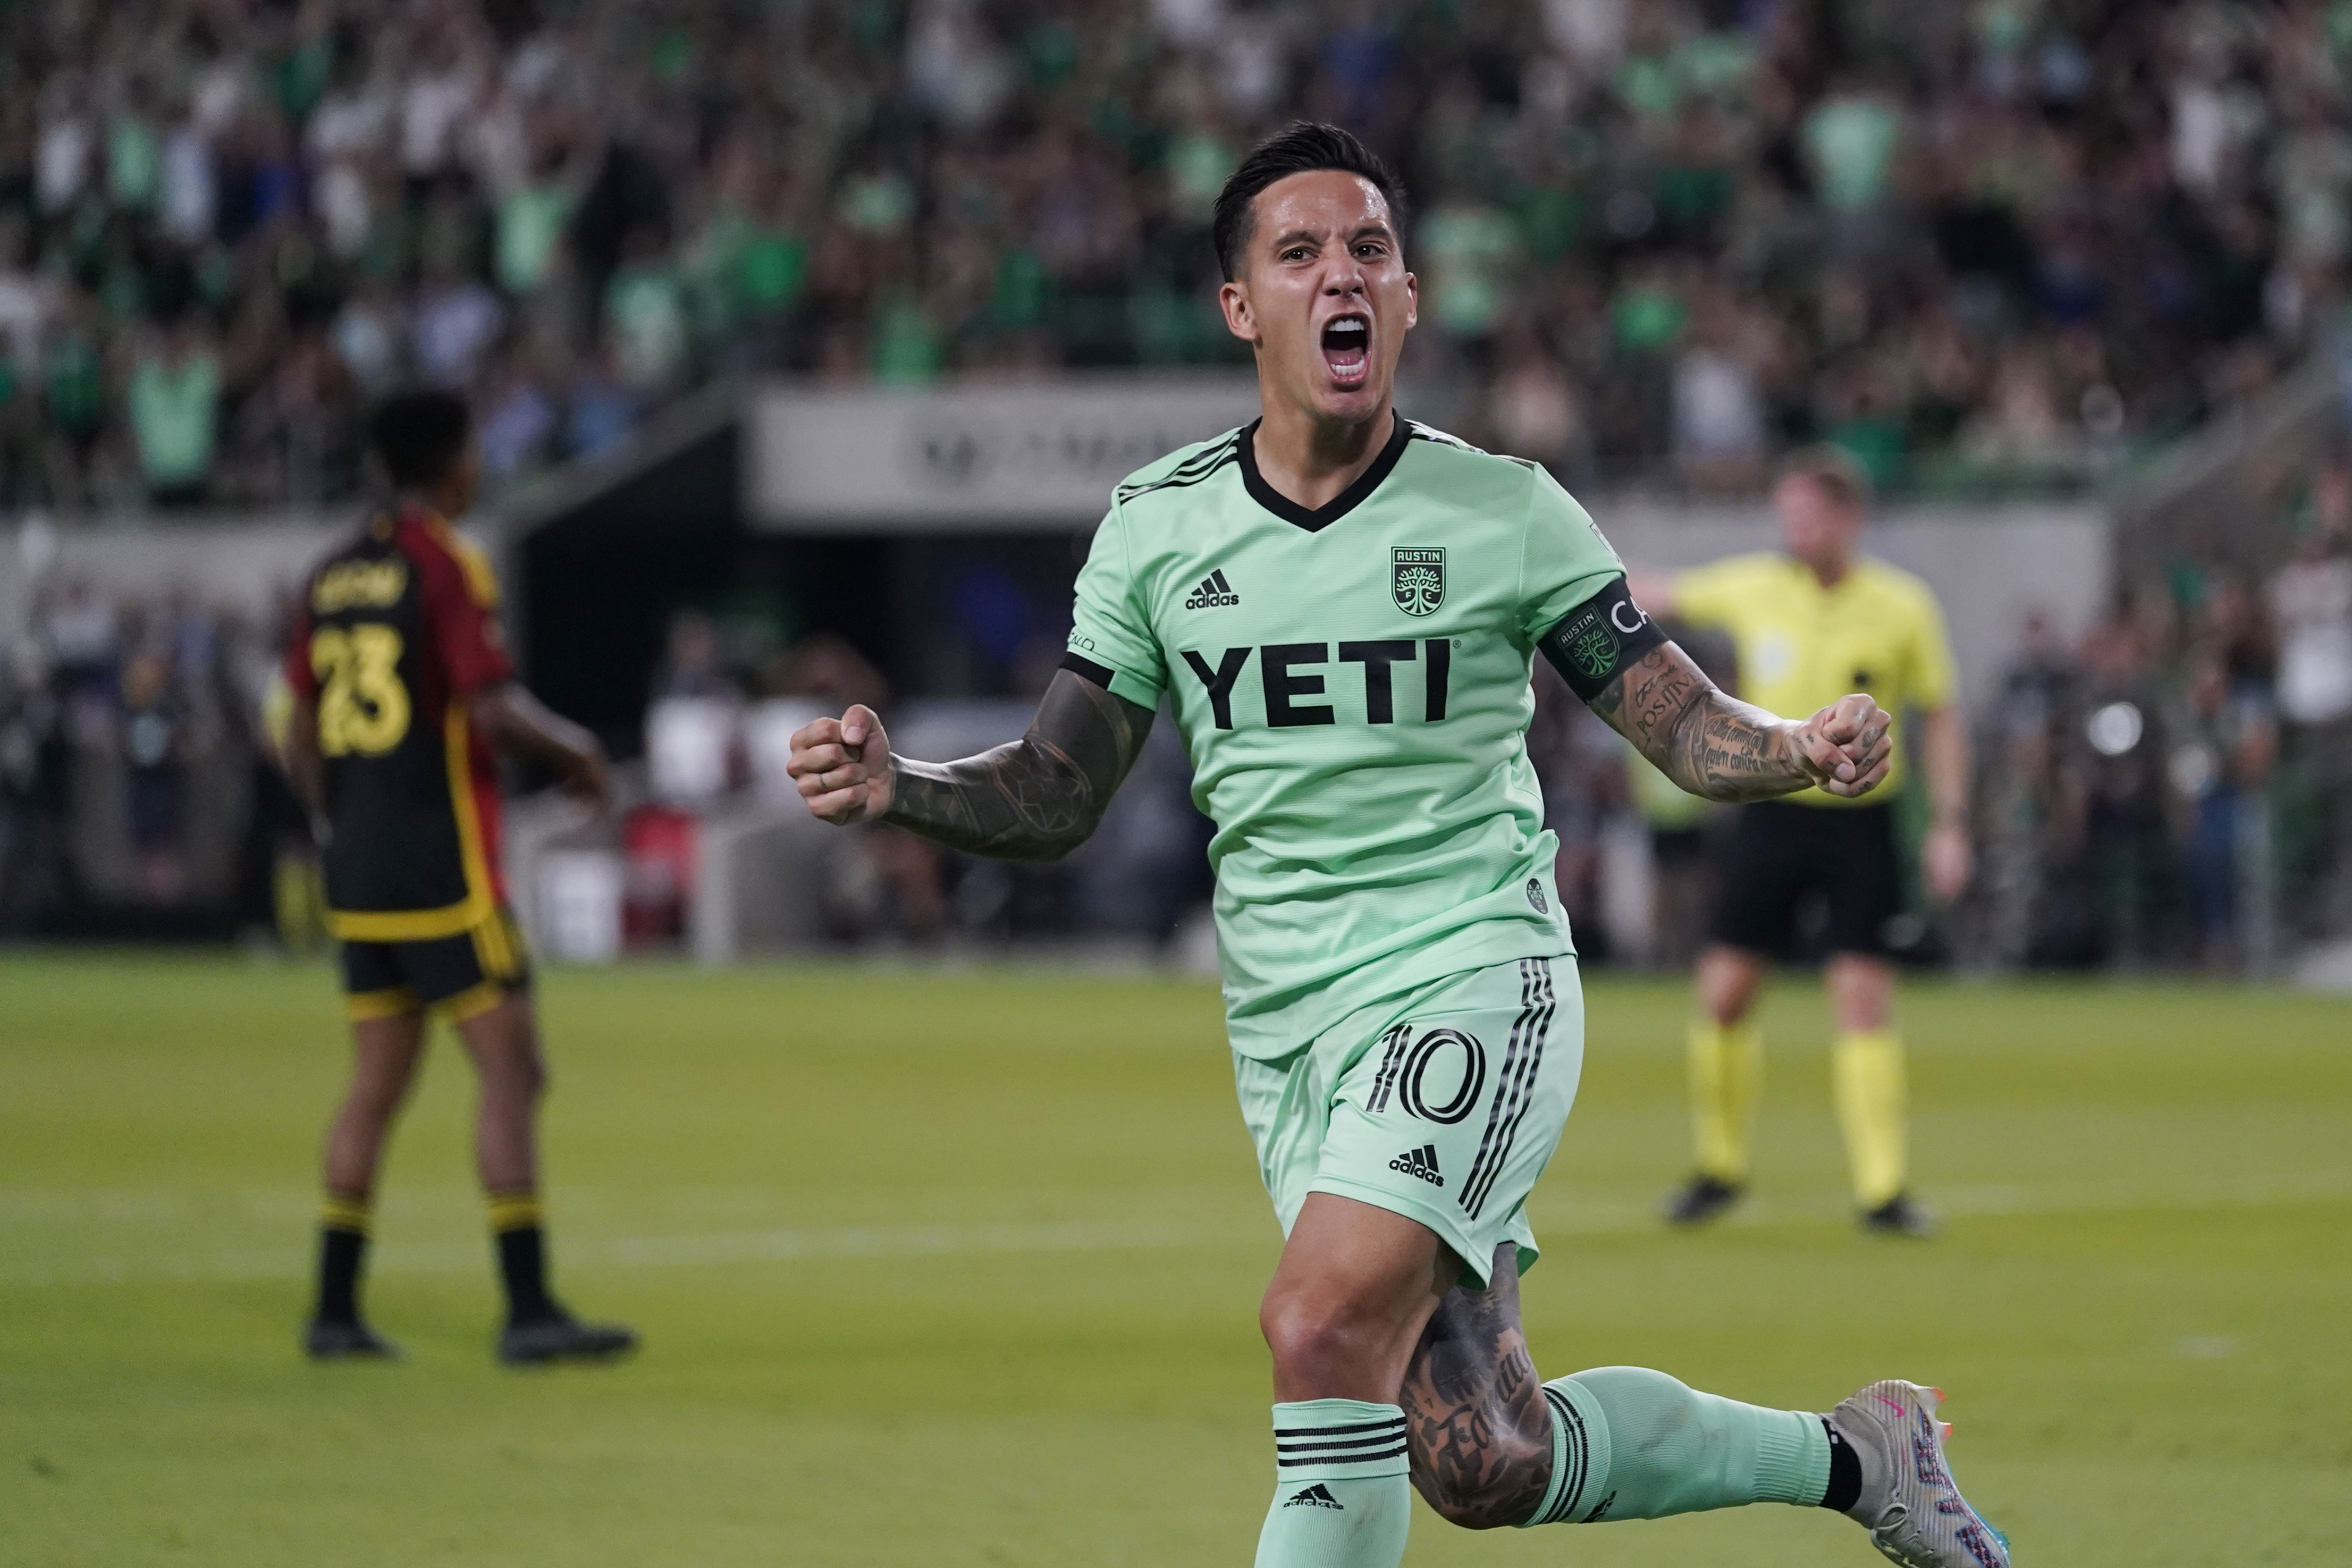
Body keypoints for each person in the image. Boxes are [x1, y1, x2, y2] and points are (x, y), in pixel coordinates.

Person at [787, 124, 2009, 1568]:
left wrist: (1794, 744)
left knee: (1313, 1320)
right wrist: (901, 786)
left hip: (1475, 972)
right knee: (1483, 1454)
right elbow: (1059, 787)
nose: (1338, 276)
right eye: (1297, 253)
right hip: (1291, 1021)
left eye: (1367, 249)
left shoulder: (1505, 510)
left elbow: (1674, 718)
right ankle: (1860, 1451)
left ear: (1409, 297)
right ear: (1241, 307)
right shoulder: (1158, 529)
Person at [278, 390, 636, 1366]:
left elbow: (300, 725)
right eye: (475, 449)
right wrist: (578, 753)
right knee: (513, 1072)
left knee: (373, 1087)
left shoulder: (329, 573)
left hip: (358, 871)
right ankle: (527, 1310)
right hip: (445, 868)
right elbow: (485, 705)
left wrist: (331, 819)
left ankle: (334, 1308)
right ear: (450, 462)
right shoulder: (445, 561)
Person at [1629, 449, 1970, 1237]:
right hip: (1770, 810)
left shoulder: (1901, 605)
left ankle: (1882, 1191)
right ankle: (1719, 1169)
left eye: (1808, 515)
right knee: (1723, 992)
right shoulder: (1754, 585)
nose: (1795, 529)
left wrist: (1949, 823)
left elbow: (1941, 714)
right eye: (1787, 515)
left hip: (1862, 820)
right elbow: (1654, 591)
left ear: (1847, 518)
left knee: (1859, 998)